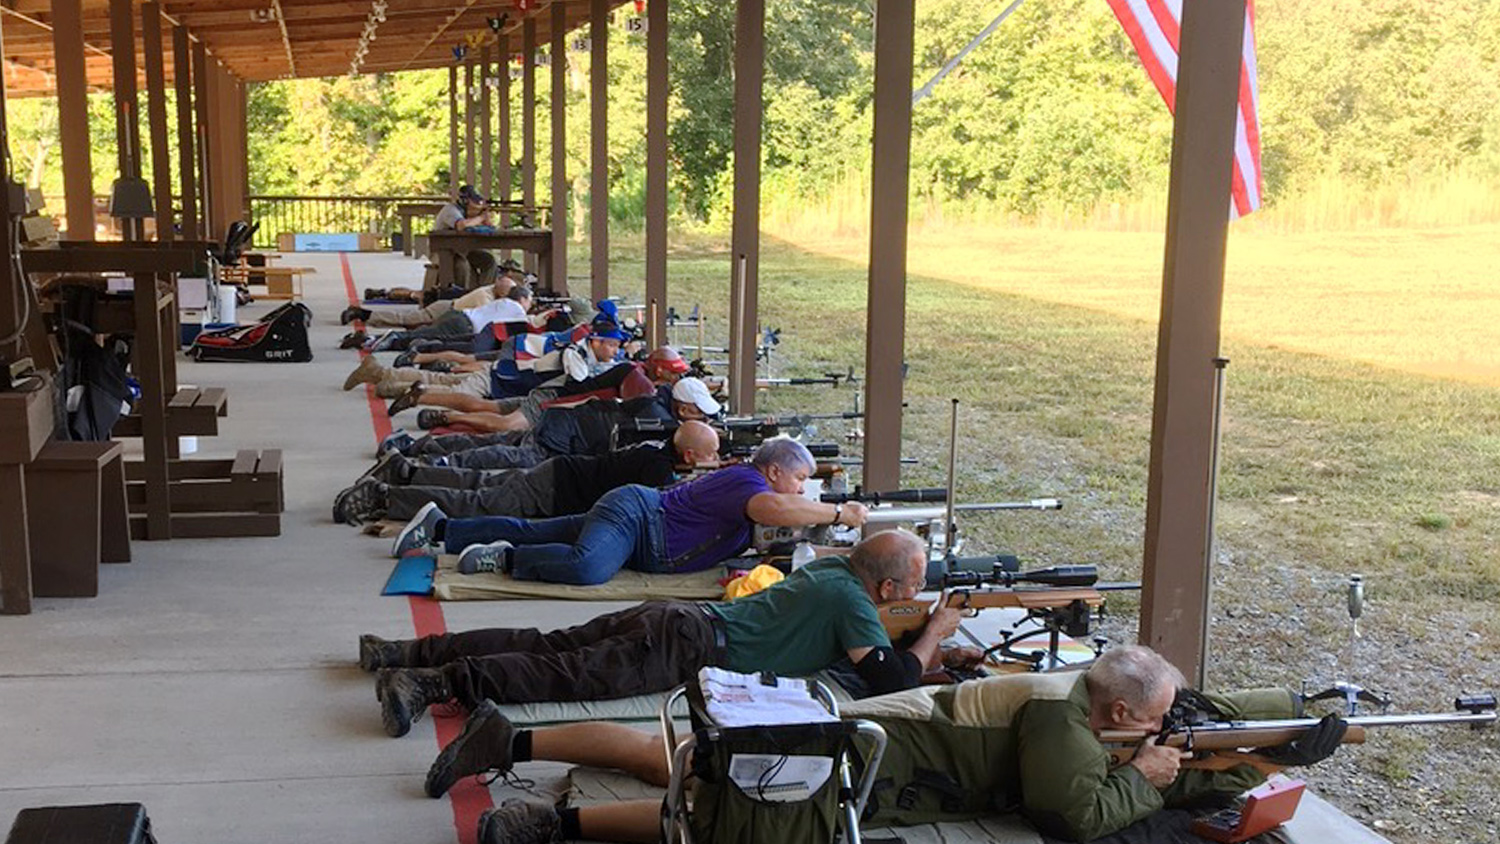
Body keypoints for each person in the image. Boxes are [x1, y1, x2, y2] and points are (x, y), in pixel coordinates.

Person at [423, 645, 1346, 844]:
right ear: (1117, 717)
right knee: (717, 800)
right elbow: (1075, 812)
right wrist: (1149, 778)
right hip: (870, 761)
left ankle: (528, 749)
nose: (1165, 733)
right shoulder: (1057, 718)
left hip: (872, 748)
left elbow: (1195, 721)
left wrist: (1277, 740)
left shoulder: (1086, 700)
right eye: (1154, 722)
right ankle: (555, 823)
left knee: (693, 771)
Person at [362, 529, 965, 738]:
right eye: (910, 586)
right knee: (561, 674)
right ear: (886, 591)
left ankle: (404, 651)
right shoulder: (853, 604)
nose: (913, 595)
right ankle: (429, 682)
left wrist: (925, 630)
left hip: (670, 619)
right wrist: (935, 629)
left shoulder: (835, 570)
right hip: (689, 646)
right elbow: (890, 679)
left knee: (546, 644)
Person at [390, 435, 838, 585]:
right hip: (636, 518)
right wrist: (839, 515)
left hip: (637, 530)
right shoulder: (749, 482)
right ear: (776, 471)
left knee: (536, 529)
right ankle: (502, 558)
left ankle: (441, 528)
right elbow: (775, 511)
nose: (802, 491)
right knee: (588, 568)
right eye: (800, 481)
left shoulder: (758, 486)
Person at [331, 420, 722, 524]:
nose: (714, 463)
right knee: (474, 505)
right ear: (689, 454)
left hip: (555, 474)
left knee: (477, 483)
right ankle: (383, 498)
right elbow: (666, 504)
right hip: (553, 490)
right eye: (710, 457)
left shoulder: (657, 450)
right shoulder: (658, 469)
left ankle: (404, 471)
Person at [393, 375, 719, 471]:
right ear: (683, 408)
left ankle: (420, 445)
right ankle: (432, 458)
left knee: (496, 441)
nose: (703, 418)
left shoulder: (652, 399)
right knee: (501, 450)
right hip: (564, 435)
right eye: (699, 411)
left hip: (562, 421)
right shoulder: (657, 416)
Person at [338, 268, 520, 328]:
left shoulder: (493, 289)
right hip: (445, 310)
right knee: (406, 320)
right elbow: (486, 320)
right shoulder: (484, 297)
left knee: (407, 323)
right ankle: (361, 313)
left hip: (450, 311)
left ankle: (368, 316)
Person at [435, 184, 499, 289]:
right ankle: (460, 295)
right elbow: (461, 225)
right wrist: (481, 217)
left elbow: (487, 226)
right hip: (443, 251)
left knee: (488, 260)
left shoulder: (466, 213)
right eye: (473, 201)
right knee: (462, 264)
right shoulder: (450, 210)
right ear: (465, 201)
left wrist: (485, 218)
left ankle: (484, 292)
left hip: (461, 250)